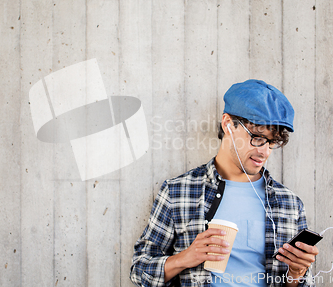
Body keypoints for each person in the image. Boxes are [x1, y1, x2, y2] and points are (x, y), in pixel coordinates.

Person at [130, 79, 319, 287]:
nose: (265, 151)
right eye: (257, 137)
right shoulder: (178, 192)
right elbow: (140, 270)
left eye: (272, 142)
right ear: (228, 124)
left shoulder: (290, 203)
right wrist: (185, 258)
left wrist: (297, 273)